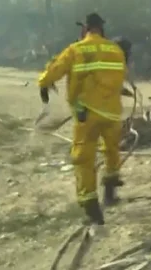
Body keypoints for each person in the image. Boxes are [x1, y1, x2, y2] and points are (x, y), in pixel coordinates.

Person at [38, 12, 127, 226]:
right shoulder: (116, 50)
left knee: (84, 158)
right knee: (112, 149)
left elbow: (55, 70)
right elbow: (119, 78)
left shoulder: (76, 50)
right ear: (102, 29)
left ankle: (91, 206)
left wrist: (43, 83)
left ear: (84, 29)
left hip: (86, 113)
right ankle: (110, 189)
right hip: (112, 112)